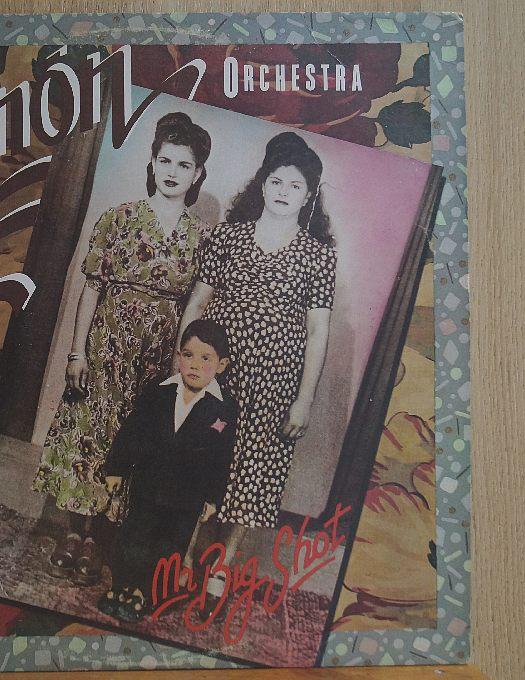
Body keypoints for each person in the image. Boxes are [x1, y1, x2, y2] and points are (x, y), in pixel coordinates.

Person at [32, 111, 213, 585]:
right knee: (89, 433)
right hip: (105, 347)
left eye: (184, 165)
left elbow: (194, 306)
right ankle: (74, 532)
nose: (172, 171)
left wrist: (179, 367)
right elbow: (90, 288)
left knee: (131, 441)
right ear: (152, 162)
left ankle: (99, 541)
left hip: (156, 358)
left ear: (198, 174)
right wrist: (77, 353)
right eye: (165, 160)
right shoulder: (119, 218)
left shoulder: (201, 237)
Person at [177, 131, 337, 604]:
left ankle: (222, 565)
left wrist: (304, 400)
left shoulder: (319, 256)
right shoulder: (228, 237)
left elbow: (318, 332)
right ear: (262, 184)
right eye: (277, 181)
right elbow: (197, 303)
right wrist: (183, 364)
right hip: (219, 374)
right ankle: (184, 555)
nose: (284, 192)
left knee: (255, 470)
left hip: (274, 385)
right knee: (201, 460)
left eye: (295, 186)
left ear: (308, 197)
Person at [96, 320, 237, 622]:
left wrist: (213, 499)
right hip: (147, 486)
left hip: (186, 499)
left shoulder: (223, 409)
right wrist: (117, 468)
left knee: (168, 548)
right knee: (134, 538)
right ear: (178, 356)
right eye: (188, 355)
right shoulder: (159, 392)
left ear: (221, 365)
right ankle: (122, 586)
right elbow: (132, 432)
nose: (194, 365)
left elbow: (221, 459)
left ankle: (145, 593)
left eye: (205, 358)